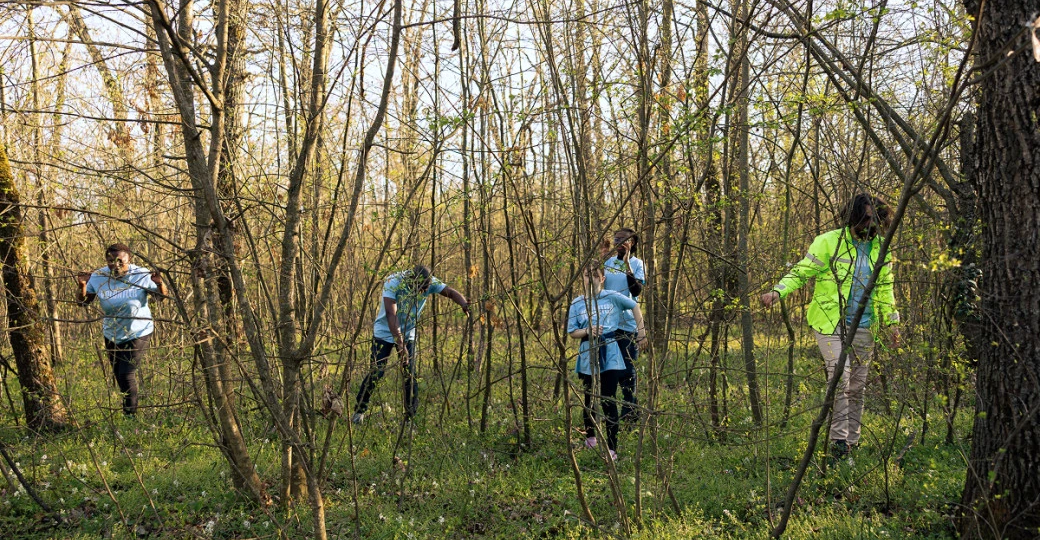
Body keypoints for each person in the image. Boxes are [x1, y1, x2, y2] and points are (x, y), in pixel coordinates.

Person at [760, 193, 901, 460]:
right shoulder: (828, 242)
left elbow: (885, 289)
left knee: (857, 386)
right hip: (830, 323)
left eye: (876, 219)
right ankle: (838, 442)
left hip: (865, 325)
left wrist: (892, 325)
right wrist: (778, 291)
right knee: (840, 378)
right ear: (854, 217)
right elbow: (802, 271)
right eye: (866, 218)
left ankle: (853, 440)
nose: (870, 225)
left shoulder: (882, 248)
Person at [353, 265, 469, 424]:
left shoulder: (429, 282)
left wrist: (464, 304)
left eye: (425, 289)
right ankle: (359, 411)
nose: (422, 292)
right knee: (376, 372)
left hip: (409, 333)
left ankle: (410, 418)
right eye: (419, 289)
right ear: (410, 282)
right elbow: (390, 313)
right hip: (384, 332)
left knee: (410, 375)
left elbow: (451, 292)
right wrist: (400, 344)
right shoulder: (393, 281)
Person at [75, 243, 168, 417]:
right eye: (110, 261)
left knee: (127, 373)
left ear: (129, 259)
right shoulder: (99, 276)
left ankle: (130, 418)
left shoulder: (140, 274)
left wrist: (160, 284)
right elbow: (82, 302)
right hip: (112, 333)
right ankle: (128, 410)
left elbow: (161, 297)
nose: (115, 264)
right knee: (118, 374)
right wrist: (82, 286)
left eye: (120, 261)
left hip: (138, 330)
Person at [568, 265, 648, 461]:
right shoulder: (577, 303)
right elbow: (572, 332)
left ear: (602, 279)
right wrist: (588, 330)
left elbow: (635, 306)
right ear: (583, 278)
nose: (592, 279)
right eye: (588, 275)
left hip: (611, 355)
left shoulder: (612, 296)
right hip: (588, 355)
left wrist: (641, 333)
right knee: (589, 398)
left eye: (596, 275)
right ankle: (591, 439)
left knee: (608, 399)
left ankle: (612, 449)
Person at [603, 227, 645, 425]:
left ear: (632, 243)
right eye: (616, 239)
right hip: (607, 325)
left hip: (628, 325)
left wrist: (627, 265)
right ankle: (610, 418)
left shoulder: (637, 264)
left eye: (623, 240)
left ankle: (630, 417)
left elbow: (636, 291)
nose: (618, 242)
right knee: (610, 371)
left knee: (628, 373)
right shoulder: (608, 263)